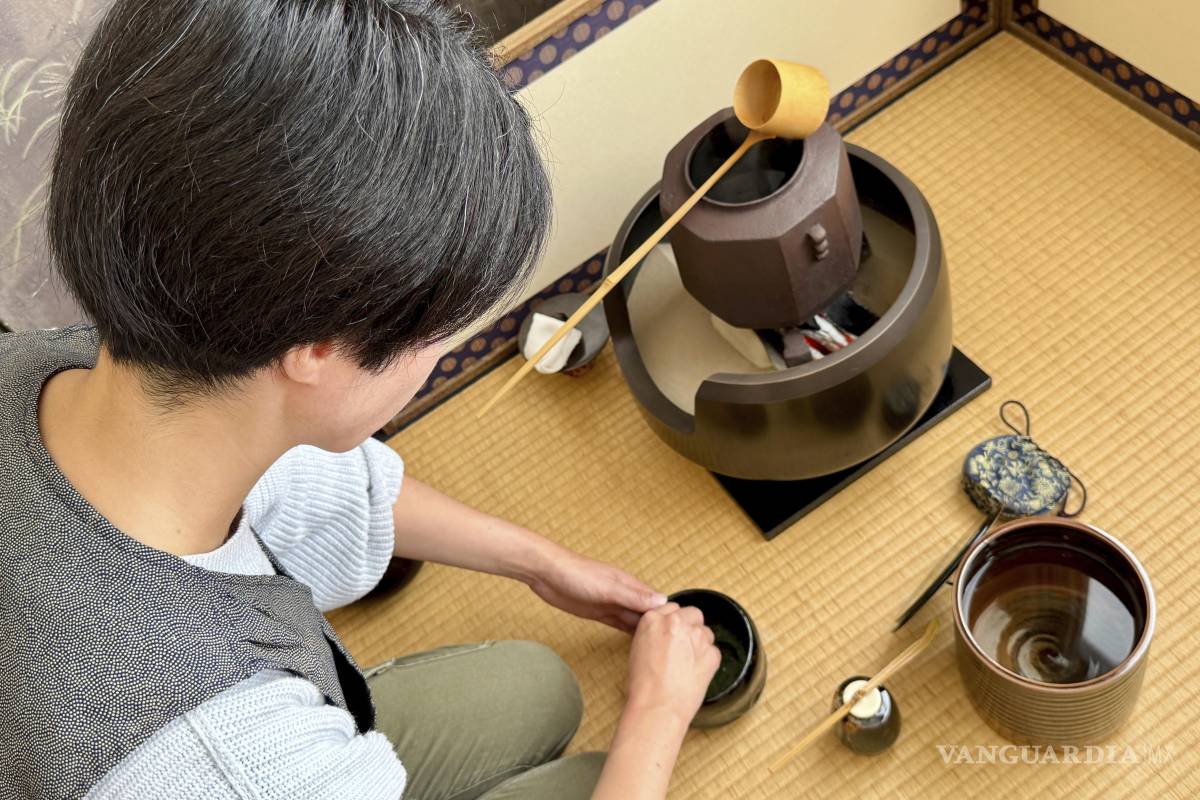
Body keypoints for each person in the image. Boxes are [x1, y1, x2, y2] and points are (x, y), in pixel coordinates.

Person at [0, 1, 721, 798]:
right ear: (314, 351)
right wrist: (658, 710)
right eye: (439, 328)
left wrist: (540, 564)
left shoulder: (75, 364)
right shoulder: (222, 761)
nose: (442, 352)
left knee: (536, 687)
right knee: (597, 776)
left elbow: (301, 489)